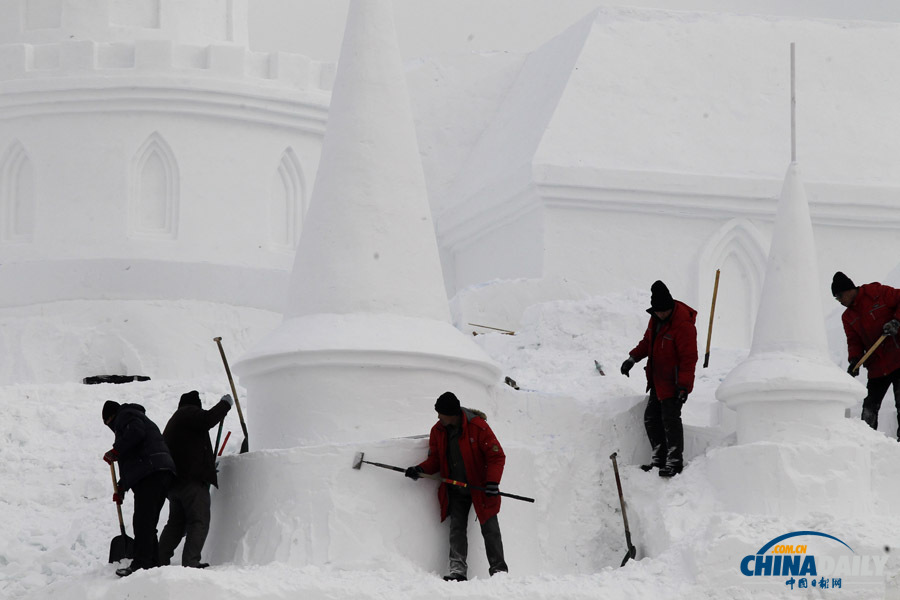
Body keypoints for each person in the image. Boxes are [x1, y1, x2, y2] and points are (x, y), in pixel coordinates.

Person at [405, 391, 508, 581]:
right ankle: (458, 571)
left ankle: (499, 571)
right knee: (457, 528)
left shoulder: (478, 427)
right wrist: (419, 469)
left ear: (451, 414)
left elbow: (496, 456)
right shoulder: (438, 431)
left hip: (481, 487)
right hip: (456, 488)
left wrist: (492, 482)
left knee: (490, 528)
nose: (438, 417)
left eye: (441, 413)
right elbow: (435, 459)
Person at [620, 280, 698, 478]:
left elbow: (689, 359)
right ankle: (659, 459)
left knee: (670, 419)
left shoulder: (683, 325)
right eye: (658, 311)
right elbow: (647, 342)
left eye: (664, 311)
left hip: (674, 383)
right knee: (651, 418)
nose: (661, 314)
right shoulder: (655, 319)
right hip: (657, 380)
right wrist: (632, 359)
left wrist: (684, 386)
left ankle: (675, 462)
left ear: (671, 306)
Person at [158, 390, 234, 568]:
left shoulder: (177, 422)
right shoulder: (187, 413)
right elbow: (208, 419)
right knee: (198, 521)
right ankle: (191, 562)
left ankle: (159, 559)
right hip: (191, 482)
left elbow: (189, 450)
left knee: (176, 524)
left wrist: (207, 466)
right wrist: (225, 405)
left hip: (175, 483)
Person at [102, 400, 176, 577]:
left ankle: (142, 565)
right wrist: (121, 488)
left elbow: (136, 432)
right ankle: (153, 564)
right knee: (148, 522)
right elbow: (132, 462)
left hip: (150, 473)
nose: (111, 427)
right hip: (162, 472)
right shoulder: (134, 418)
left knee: (142, 522)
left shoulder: (125, 416)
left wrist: (116, 450)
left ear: (111, 417)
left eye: (108, 423)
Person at [831, 271, 900, 436]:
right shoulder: (847, 317)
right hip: (877, 367)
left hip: (897, 358)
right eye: (836, 298)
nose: (839, 301)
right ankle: (868, 441)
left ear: (849, 290)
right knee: (869, 408)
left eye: (839, 296)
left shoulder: (876, 293)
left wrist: (896, 321)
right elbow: (853, 341)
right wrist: (854, 360)